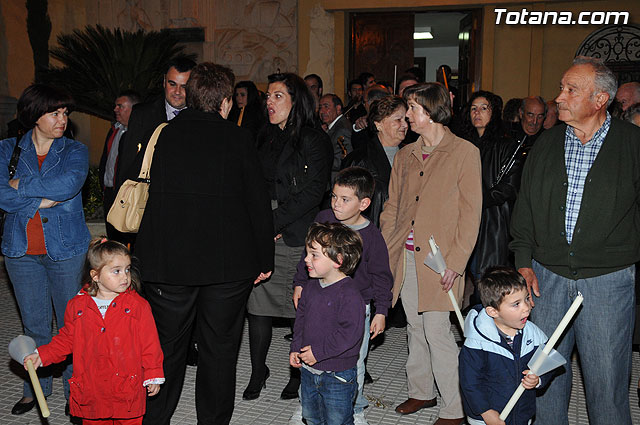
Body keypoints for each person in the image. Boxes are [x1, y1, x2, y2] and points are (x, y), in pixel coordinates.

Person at [135, 62, 275, 425]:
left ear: (190, 96)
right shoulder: (239, 138)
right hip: (227, 266)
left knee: (166, 348)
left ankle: (155, 419)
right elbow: (257, 204)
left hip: (168, 264)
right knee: (219, 349)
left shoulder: (163, 134)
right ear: (226, 102)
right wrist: (265, 257)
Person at [510, 56, 640, 425]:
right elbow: (526, 210)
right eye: (562, 88)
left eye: (571, 90)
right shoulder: (547, 144)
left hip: (608, 280)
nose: (560, 98)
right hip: (545, 277)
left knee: (607, 382)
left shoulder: (632, 145)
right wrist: (523, 260)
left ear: (600, 100)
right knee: (544, 376)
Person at [381, 82, 481, 424]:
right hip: (407, 256)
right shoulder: (406, 155)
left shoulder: (465, 152)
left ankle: (455, 408)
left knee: (437, 331)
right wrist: (386, 244)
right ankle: (421, 391)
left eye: (412, 108)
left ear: (432, 111)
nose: (407, 115)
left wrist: (456, 263)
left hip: (440, 260)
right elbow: (393, 204)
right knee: (414, 326)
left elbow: (471, 214)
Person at [0, 84, 91, 416]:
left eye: (65, 112)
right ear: (34, 115)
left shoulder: (74, 151)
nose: (62, 119)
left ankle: (74, 390)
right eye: (55, 112)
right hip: (20, 251)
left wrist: (19, 188)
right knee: (34, 325)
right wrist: (40, 200)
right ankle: (34, 389)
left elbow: (69, 185)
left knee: (70, 326)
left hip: (66, 249)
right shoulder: (6, 149)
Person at [245, 72, 332, 402]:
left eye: (278, 96)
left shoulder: (313, 138)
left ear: (296, 101)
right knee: (258, 305)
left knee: (300, 308)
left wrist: (273, 221)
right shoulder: (263, 135)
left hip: (295, 230)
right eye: (268, 96)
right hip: (264, 225)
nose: (269, 101)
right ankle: (257, 371)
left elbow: (313, 191)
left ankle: (297, 373)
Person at [23, 238, 164, 424]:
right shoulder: (77, 306)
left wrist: (153, 373)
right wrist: (43, 355)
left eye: (127, 269)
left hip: (126, 386)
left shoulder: (138, 306)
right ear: (95, 275)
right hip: (92, 388)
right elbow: (66, 339)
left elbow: (150, 343)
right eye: (116, 271)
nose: (125, 277)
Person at [292, 167, 393, 424]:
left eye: (345, 199)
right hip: (318, 299)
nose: (336, 204)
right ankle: (308, 402)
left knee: (354, 360)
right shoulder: (324, 218)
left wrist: (381, 310)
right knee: (309, 350)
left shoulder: (372, 236)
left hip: (355, 306)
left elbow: (382, 276)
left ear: (364, 203)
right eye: (334, 196)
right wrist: (300, 283)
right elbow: (309, 254)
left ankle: (354, 408)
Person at [290, 222, 365, 425]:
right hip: (308, 370)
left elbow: (349, 334)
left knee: (337, 421)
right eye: (307, 253)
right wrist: (296, 347)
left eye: (314, 255)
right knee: (312, 418)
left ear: (338, 260)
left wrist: (319, 352)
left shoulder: (349, 295)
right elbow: (301, 320)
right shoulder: (311, 287)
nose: (306, 259)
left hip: (337, 375)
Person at [459, 267, 550, 425]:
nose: (527, 307)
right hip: (486, 417)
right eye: (516, 304)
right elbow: (470, 382)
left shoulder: (533, 335)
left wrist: (538, 379)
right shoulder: (478, 343)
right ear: (493, 312)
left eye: (526, 299)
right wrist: (485, 412)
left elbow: (548, 362)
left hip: (522, 413)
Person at [460, 91, 522, 281]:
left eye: (483, 108)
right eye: (473, 108)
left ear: (493, 112)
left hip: (493, 220)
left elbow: (508, 188)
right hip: (464, 219)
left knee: (487, 276)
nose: (477, 113)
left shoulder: (506, 145)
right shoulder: (463, 144)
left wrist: (475, 200)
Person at [115, 57, 196, 197]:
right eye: (172, 84)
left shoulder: (202, 117)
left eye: (184, 86)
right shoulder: (142, 114)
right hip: (151, 201)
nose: (177, 92)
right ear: (164, 82)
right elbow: (128, 163)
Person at [342, 95, 407, 227]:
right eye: (398, 119)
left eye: (406, 119)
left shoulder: (411, 154)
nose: (405, 125)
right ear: (379, 124)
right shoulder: (359, 160)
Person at [98, 90, 140, 243]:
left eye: (120, 106)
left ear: (133, 109)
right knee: (113, 237)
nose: (115, 109)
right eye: (116, 106)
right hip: (109, 193)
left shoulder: (138, 134)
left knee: (128, 238)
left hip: (126, 195)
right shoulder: (114, 130)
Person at [318, 94, 353, 180]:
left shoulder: (342, 129)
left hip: (337, 179)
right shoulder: (334, 127)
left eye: (326, 107)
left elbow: (343, 160)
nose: (322, 111)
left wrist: (317, 161)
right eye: (320, 107)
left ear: (338, 108)